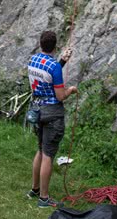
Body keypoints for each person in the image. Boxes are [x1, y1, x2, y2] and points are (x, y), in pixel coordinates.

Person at [26, 31, 77, 208]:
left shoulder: (33, 60)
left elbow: (45, 78)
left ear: (40, 44)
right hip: (52, 113)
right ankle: (44, 199)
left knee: (40, 150)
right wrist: (71, 90)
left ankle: (34, 189)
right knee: (48, 154)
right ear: (55, 46)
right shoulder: (54, 66)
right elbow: (60, 96)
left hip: (36, 110)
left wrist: (62, 61)